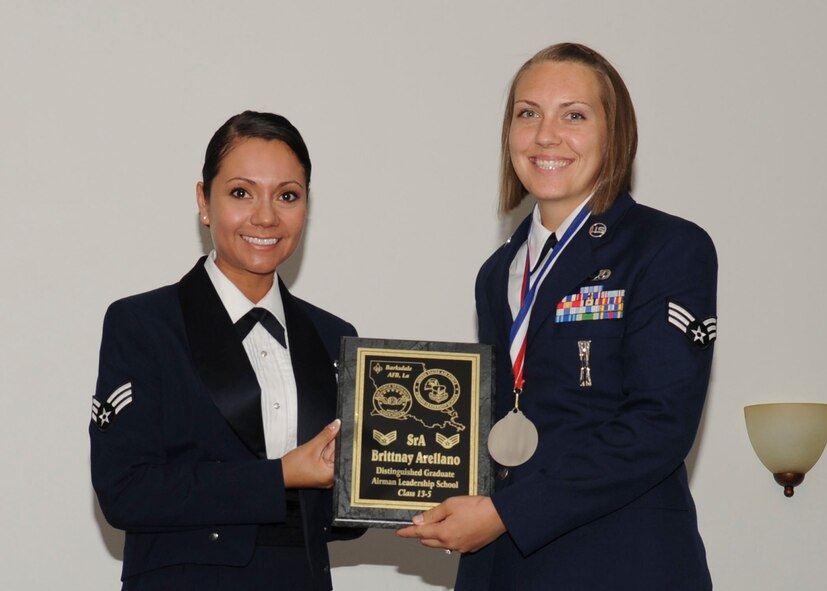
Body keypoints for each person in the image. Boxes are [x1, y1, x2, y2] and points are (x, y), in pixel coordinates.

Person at [398, 43, 716, 590]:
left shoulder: (668, 248)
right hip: (503, 567)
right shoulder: (497, 271)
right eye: (528, 114)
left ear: (615, 134)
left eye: (574, 115)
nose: (546, 135)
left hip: (621, 561)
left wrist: (505, 515)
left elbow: (657, 426)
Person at [90, 111, 361, 590]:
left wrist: (403, 492)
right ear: (204, 201)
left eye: (287, 195)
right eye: (241, 192)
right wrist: (278, 476)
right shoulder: (144, 325)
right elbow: (125, 492)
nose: (265, 216)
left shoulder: (333, 336)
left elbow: (338, 517)